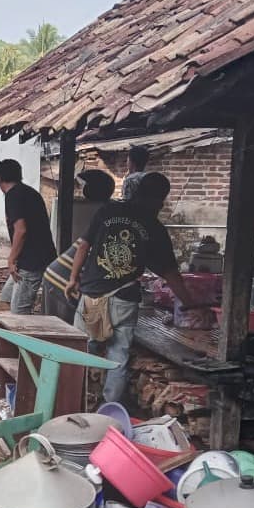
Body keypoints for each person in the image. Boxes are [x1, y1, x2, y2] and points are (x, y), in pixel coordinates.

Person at [66, 172, 199, 403]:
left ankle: (75, 402)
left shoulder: (108, 211)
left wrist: (73, 278)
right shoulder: (154, 227)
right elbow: (170, 274)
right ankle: (109, 410)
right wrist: (190, 304)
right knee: (118, 356)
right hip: (124, 298)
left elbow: (83, 246)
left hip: (91, 294)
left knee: (82, 351)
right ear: (160, 200)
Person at [43, 170, 115, 323]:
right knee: (60, 329)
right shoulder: (102, 212)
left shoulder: (102, 211)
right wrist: (73, 278)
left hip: (63, 274)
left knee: (63, 328)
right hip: (62, 279)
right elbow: (84, 247)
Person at [0, 159, 57, 315]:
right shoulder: (30, 192)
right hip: (39, 255)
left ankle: (22, 336)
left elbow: (21, 230)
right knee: (7, 297)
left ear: (0, 179)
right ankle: (10, 333)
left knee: (19, 310)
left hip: (32, 261)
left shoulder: (13, 196)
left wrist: (11, 259)